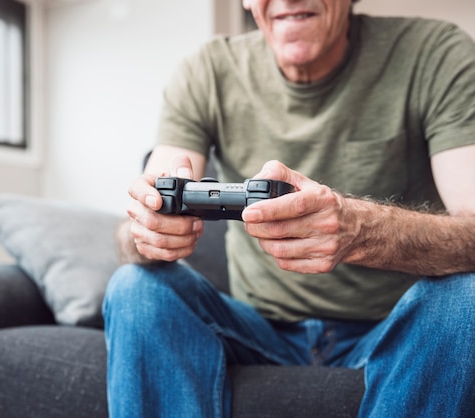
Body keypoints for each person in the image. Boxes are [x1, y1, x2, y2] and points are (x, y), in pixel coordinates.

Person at [103, 0, 475, 416]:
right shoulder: (207, 70)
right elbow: (142, 214)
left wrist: (363, 230)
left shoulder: (434, 53)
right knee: (136, 288)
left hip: (394, 327)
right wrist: (147, 229)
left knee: (468, 297)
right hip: (256, 328)